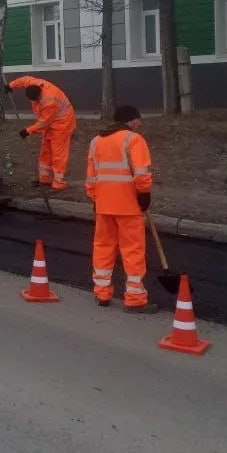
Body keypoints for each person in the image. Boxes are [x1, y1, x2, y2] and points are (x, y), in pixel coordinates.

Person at [84, 104, 156, 314]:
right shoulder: (134, 140)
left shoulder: (96, 141)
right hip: (128, 206)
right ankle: (134, 299)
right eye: (138, 119)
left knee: (103, 247)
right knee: (132, 251)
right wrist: (144, 195)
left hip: (104, 205)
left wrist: (94, 198)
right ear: (129, 120)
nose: (140, 123)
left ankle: (102, 292)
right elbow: (142, 174)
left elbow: (91, 176)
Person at [3, 76, 77, 191]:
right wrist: (10, 85)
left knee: (58, 153)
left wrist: (28, 131)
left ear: (39, 96)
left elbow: (44, 122)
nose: (35, 103)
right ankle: (45, 178)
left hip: (62, 123)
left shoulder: (49, 101)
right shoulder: (32, 83)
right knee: (45, 151)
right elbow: (24, 79)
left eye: (36, 101)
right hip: (51, 122)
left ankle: (59, 182)